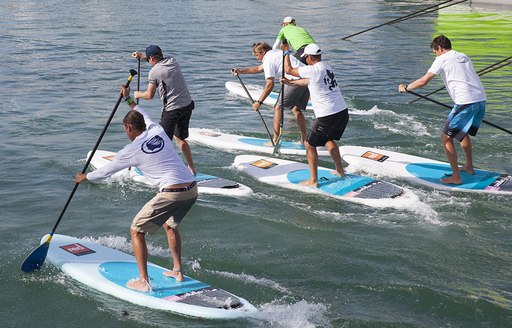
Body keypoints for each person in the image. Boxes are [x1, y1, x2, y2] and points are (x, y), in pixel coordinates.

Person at [75, 85, 198, 292]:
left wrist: (85, 177)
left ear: (129, 128)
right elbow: (143, 114)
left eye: (125, 129)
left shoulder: (129, 151)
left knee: (136, 230)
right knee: (170, 225)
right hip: (192, 189)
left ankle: (144, 281)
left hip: (172, 193)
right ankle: (177, 270)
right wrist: (128, 99)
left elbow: (106, 172)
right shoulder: (157, 130)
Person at [398, 35, 486, 185]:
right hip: (480, 99)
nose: (435, 55)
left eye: (435, 52)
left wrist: (406, 88)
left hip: (465, 102)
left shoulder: (442, 59)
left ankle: (456, 177)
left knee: (446, 138)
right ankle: (469, 166)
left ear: (439, 48)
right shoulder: (463, 56)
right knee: (462, 134)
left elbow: (423, 81)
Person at [281, 44, 349, 187]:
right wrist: (290, 82)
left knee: (309, 144)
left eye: (306, 58)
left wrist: (286, 52)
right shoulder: (326, 67)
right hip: (342, 112)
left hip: (327, 115)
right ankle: (340, 171)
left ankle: (313, 180)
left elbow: (288, 69)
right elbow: (308, 81)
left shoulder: (312, 69)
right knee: (328, 140)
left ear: (310, 57)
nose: (305, 60)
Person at [131, 45, 197, 175]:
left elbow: (149, 96)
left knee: (160, 141)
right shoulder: (172, 60)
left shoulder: (154, 72)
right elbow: (156, 60)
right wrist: (142, 57)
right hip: (187, 105)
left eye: (148, 59)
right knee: (180, 138)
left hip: (172, 110)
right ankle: (192, 168)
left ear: (151, 59)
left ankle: (162, 170)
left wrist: (138, 94)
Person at [231, 42, 309, 144]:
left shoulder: (268, 59)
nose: (257, 58)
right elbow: (259, 68)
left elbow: (269, 84)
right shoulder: (276, 53)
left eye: (257, 55)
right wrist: (240, 71)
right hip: (308, 79)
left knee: (278, 108)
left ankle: (275, 140)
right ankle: (304, 139)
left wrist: (259, 102)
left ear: (263, 52)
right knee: (295, 109)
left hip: (295, 80)